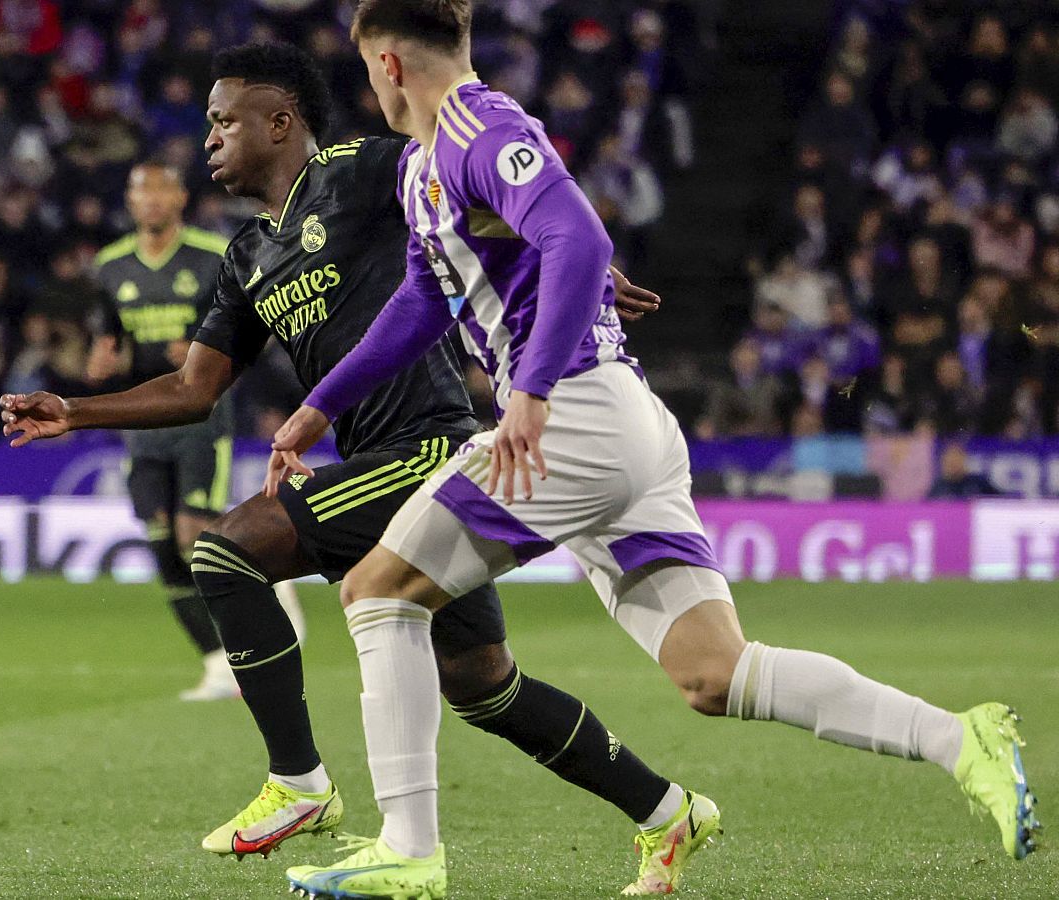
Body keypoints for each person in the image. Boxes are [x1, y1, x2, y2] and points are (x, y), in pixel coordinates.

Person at [268, 3, 1040, 897]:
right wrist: (319, 407)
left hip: (575, 419)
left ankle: (407, 847)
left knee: (375, 591)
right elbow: (424, 299)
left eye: (368, 69)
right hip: (619, 425)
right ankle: (960, 738)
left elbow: (580, 234)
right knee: (715, 673)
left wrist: (530, 389)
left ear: (389, 63)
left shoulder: (483, 128)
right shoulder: (423, 165)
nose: (371, 86)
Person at [3, 40, 690, 889]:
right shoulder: (248, 257)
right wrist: (76, 410)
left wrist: (566, 246)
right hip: (378, 458)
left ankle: (298, 783)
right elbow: (193, 387)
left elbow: (478, 181)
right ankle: (670, 812)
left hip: (431, 444)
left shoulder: (363, 169)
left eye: (224, 121)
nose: (208, 138)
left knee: (225, 550)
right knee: (483, 686)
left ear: (279, 121)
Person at [89, 160, 305, 702]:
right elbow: (107, 342)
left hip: (202, 420)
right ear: (131, 202)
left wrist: (208, 354)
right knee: (161, 544)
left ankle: (267, 582)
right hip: (141, 420)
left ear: (181, 199)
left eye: (162, 191)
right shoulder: (109, 266)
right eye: (143, 192)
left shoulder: (214, 258)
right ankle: (215, 662)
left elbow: (256, 332)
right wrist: (100, 362)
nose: (153, 201)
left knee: (194, 535)